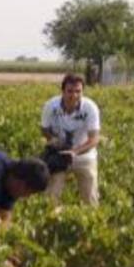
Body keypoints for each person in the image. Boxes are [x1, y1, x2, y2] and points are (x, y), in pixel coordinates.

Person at [41, 74, 102, 205]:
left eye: (78, 91)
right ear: (62, 91)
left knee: (90, 198)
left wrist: (74, 152)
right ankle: (51, 221)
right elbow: (44, 129)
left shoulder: (90, 108)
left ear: (82, 92)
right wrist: (54, 141)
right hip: (60, 156)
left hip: (85, 156)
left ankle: (90, 222)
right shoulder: (50, 106)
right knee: (51, 196)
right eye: (70, 91)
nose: (74, 95)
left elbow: (94, 139)